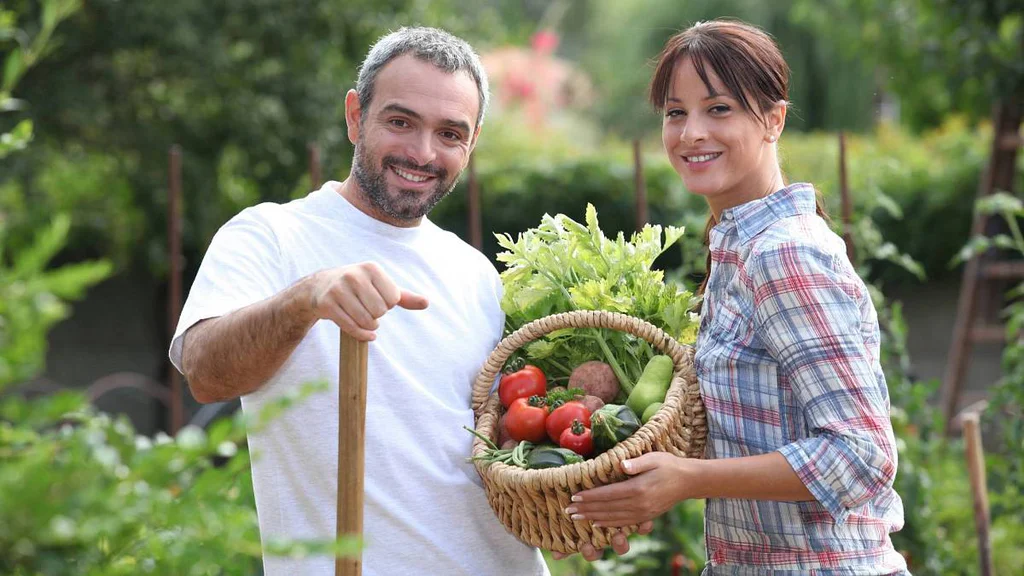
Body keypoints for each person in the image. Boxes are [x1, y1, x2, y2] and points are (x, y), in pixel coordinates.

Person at [168, 27, 553, 576]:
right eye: (401, 122)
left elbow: (498, 443)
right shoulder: (270, 235)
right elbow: (205, 373)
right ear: (355, 116)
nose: (422, 152)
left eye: (450, 133)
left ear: (472, 142)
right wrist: (303, 300)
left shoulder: (475, 272)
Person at [562, 20, 909, 574]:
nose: (691, 132)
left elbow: (862, 458)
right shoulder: (737, 250)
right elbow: (748, 434)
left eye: (718, 108)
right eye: (676, 112)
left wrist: (686, 482)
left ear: (773, 120)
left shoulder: (784, 254)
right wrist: (609, 495)